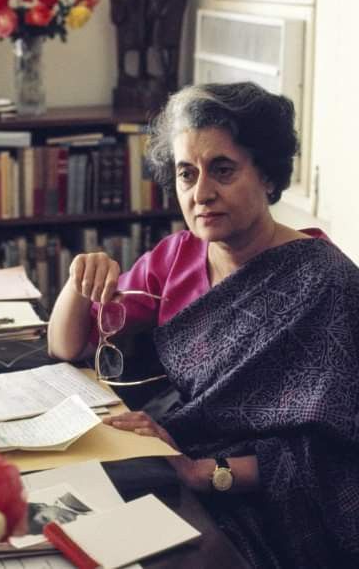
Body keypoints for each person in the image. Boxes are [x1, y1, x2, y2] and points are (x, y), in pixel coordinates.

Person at [48, 82, 359, 568]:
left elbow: (336, 457)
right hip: (173, 460)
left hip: (271, 507)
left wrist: (204, 472)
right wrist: (78, 279)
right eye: (186, 174)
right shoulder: (179, 256)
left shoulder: (327, 283)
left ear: (269, 177)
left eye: (223, 170)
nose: (202, 194)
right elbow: (66, 345)